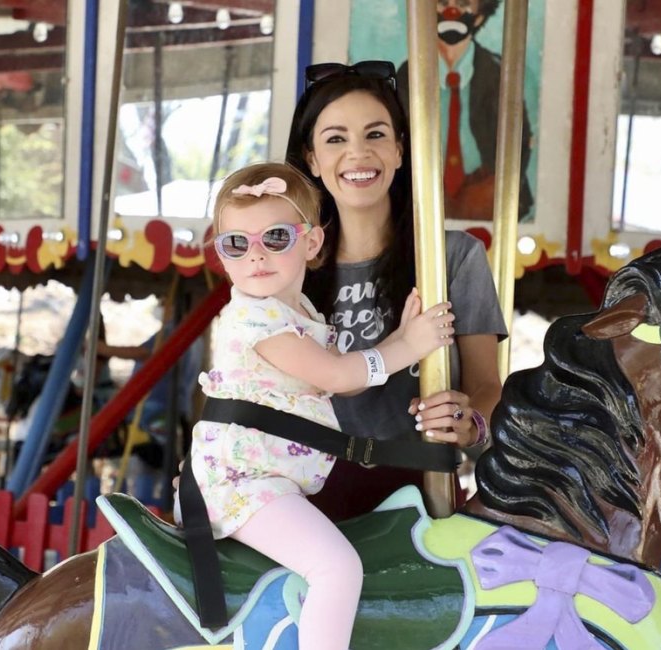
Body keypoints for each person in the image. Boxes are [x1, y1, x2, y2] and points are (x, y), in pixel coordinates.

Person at [192, 161, 455, 649]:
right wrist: (409, 348)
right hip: (245, 487)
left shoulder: (299, 313)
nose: (255, 255)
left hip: (269, 481)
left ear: (311, 244)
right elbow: (337, 374)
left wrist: (398, 338)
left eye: (275, 237)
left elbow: (341, 384)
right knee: (336, 567)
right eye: (235, 243)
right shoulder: (254, 320)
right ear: (221, 255)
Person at [285, 59, 508, 520]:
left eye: (376, 134)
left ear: (401, 150)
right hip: (301, 488)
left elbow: (486, 384)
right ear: (312, 158)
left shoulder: (453, 258)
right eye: (335, 139)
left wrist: (469, 423)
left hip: (418, 485)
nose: (358, 153)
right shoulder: (290, 264)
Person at [395, 0, 534, 221]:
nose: (452, 12)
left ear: (479, 16)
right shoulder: (404, 78)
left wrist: (493, 188)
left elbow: (520, 144)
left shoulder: (501, 76)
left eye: (463, 4)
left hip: (487, 199)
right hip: (420, 202)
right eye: (442, 3)